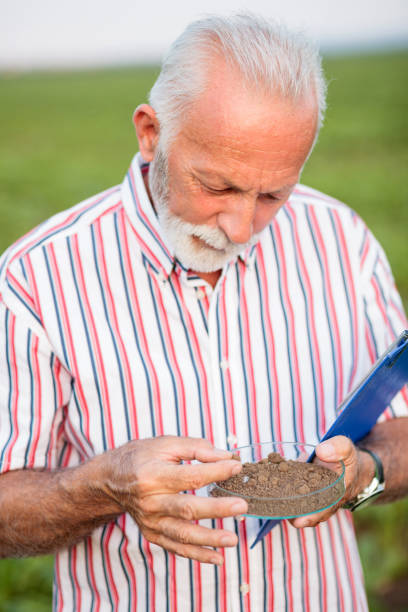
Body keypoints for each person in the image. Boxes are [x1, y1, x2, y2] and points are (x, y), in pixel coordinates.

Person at [0, 13, 407, 612]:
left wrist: (364, 471)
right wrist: (100, 486)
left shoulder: (343, 241)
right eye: (216, 186)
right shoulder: (35, 279)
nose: (242, 228)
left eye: (272, 195)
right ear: (149, 133)